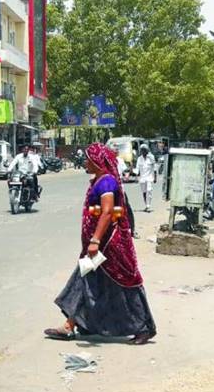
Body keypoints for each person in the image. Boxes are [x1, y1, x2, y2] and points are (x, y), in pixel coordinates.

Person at [44, 143, 156, 345]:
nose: (85, 162)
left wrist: (95, 240)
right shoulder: (99, 180)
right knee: (85, 279)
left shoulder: (106, 183)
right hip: (99, 245)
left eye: (88, 158)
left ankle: (144, 327)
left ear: (97, 162)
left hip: (109, 246)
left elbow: (106, 212)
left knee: (124, 282)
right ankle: (70, 325)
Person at [135, 144, 157, 214]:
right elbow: (137, 169)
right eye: (142, 150)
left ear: (147, 150)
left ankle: (148, 205)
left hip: (149, 177)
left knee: (149, 191)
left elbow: (155, 167)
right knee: (144, 192)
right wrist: (135, 175)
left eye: (144, 150)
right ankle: (146, 204)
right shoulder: (139, 159)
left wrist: (155, 177)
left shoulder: (151, 157)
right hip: (142, 178)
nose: (143, 151)